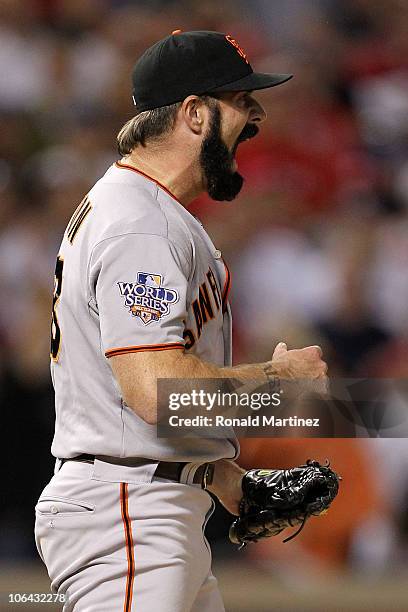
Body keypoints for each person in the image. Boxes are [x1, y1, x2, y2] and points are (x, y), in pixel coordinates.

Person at [35, 30, 328, 611]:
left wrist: (228, 481)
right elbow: (154, 392)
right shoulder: (140, 222)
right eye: (241, 102)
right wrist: (276, 384)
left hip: (149, 508)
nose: (257, 116)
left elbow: (141, 407)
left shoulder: (149, 210)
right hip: (128, 514)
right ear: (194, 113)